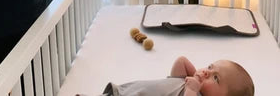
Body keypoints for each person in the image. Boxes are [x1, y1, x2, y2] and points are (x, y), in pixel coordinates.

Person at [76, 56, 254, 96]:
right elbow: (181, 62)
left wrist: (192, 89)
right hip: (126, 91)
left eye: (216, 78)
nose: (207, 72)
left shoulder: (194, 92)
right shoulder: (190, 82)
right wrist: (198, 76)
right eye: (209, 66)